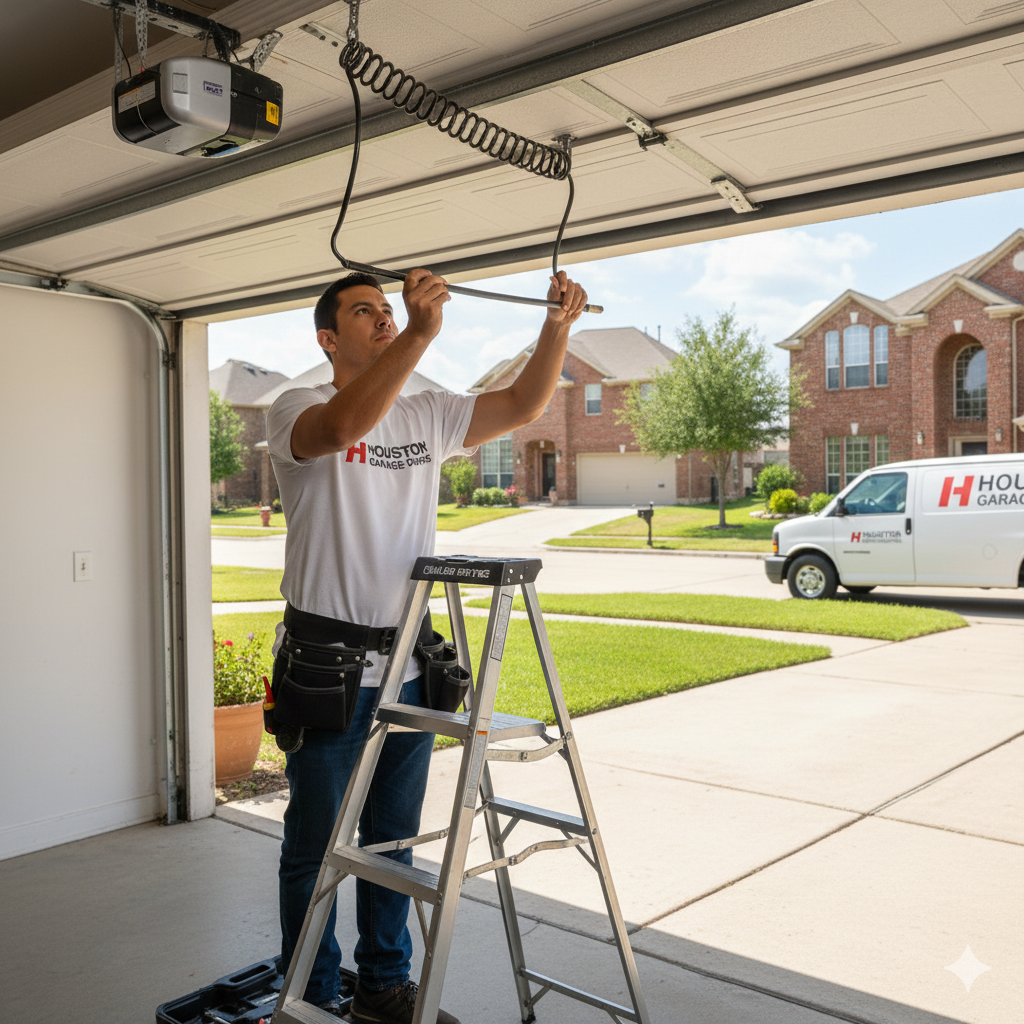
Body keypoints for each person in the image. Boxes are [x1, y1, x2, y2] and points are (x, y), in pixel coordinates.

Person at [266, 266, 588, 1023]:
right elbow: (344, 430)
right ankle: (308, 999)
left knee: (392, 845)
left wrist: (557, 327)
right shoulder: (297, 407)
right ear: (327, 337)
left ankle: (382, 990)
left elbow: (523, 403)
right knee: (314, 848)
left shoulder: (427, 413)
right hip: (327, 668)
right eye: (365, 312)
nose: (383, 318)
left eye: (388, 309)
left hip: (410, 666)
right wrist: (416, 332)